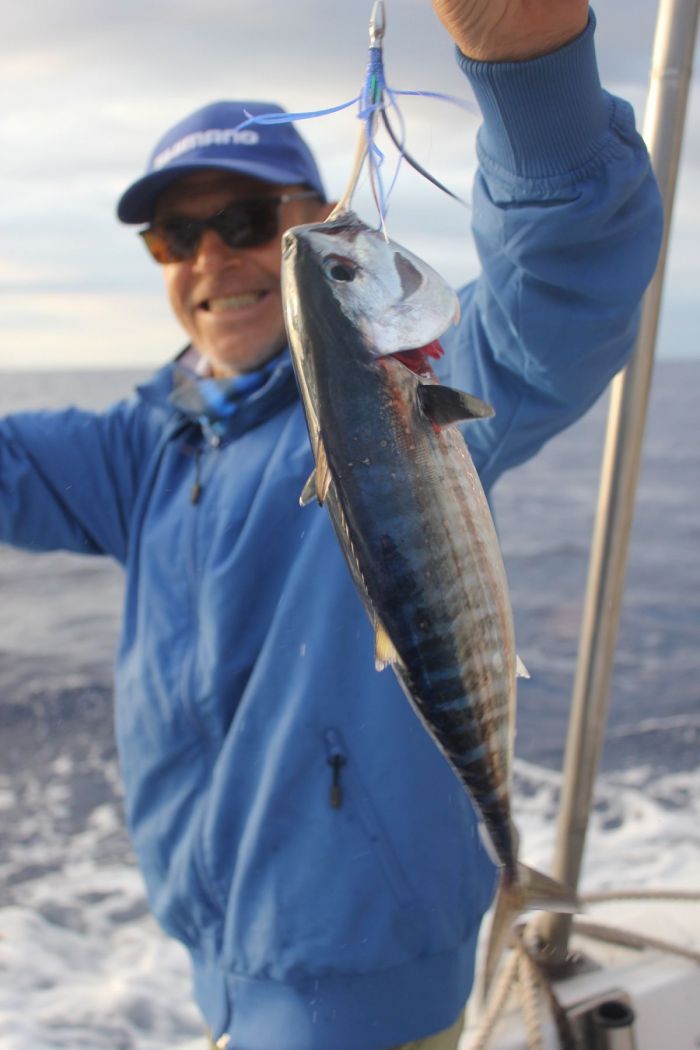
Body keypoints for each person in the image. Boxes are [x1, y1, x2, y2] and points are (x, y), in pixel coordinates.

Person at [0, 1, 662, 1048]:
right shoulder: (140, 451)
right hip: (211, 972)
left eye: (252, 222)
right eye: (178, 233)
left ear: (311, 217)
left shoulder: (434, 378)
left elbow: (565, 266)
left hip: (366, 999)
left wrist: (524, 62)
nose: (215, 256)